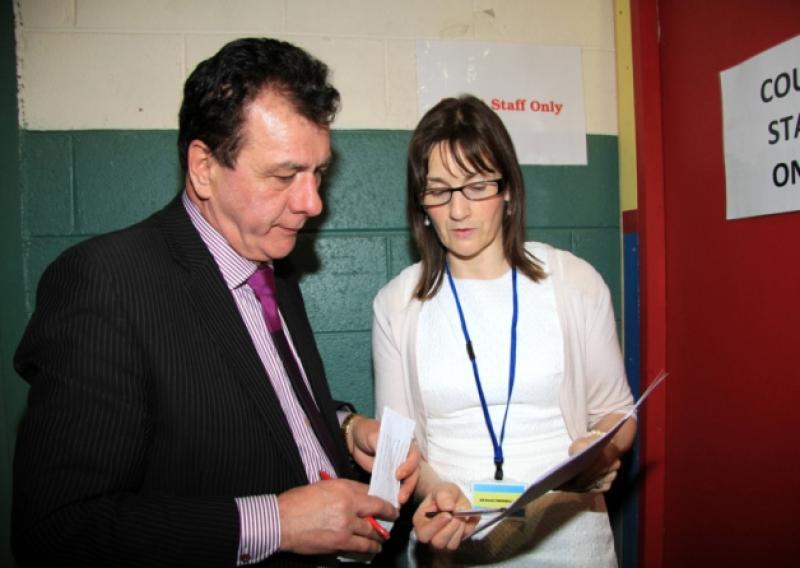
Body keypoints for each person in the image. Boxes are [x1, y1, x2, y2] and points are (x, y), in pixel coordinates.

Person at [12, 37, 418, 568]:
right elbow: (58, 528)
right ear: (203, 167)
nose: (311, 203)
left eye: (318, 173)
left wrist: (345, 427)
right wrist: (280, 523)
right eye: (283, 175)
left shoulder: (269, 256)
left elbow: (267, 403)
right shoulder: (105, 281)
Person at [372, 95, 636, 566]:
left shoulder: (574, 281)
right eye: (439, 190)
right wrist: (437, 494)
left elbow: (617, 412)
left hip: (573, 540)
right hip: (456, 541)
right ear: (421, 202)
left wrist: (598, 451)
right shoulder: (397, 303)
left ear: (508, 189)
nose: (457, 211)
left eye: (475, 186)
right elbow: (400, 447)